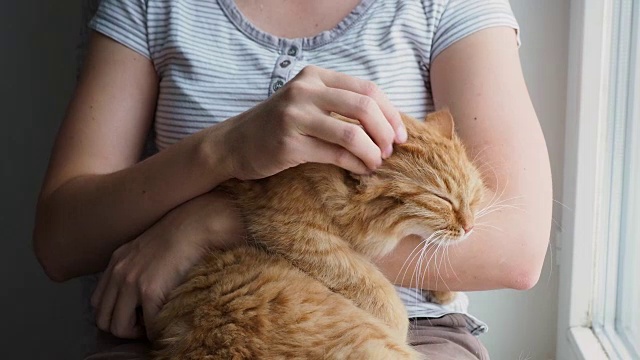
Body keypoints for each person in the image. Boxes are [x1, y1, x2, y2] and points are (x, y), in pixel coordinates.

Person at [33, 0, 552, 359]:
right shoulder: (152, 7)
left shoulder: (443, 6)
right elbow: (60, 243)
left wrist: (219, 219)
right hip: (192, 326)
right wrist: (225, 150)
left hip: (415, 329)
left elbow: (518, 249)